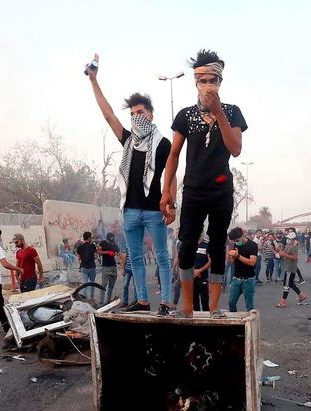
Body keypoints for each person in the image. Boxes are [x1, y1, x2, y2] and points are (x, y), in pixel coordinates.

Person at [160, 49, 247, 318]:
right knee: (186, 244)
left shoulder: (232, 112)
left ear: (220, 83)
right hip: (194, 189)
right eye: (204, 80)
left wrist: (219, 112)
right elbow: (173, 155)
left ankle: (214, 308)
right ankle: (186, 307)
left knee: (218, 244)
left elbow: (235, 149)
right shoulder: (185, 116)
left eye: (214, 80)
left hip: (221, 189)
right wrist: (167, 192)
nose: (209, 85)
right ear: (196, 83)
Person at [86, 54, 173, 315]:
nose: (137, 117)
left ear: (151, 114)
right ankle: (143, 301)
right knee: (135, 259)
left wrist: (171, 202)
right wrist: (94, 80)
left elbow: (172, 174)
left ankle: (166, 303)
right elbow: (108, 113)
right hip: (130, 211)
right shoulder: (127, 141)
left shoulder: (163, 143)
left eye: (141, 112)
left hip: (154, 210)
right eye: (133, 113)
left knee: (162, 257)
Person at [227, 227, 258, 312]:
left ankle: (250, 324)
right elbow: (233, 262)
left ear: (243, 235)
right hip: (236, 278)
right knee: (231, 303)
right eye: (234, 241)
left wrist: (238, 256)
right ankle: (234, 323)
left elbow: (252, 262)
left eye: (237, 240)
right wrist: (231, 256)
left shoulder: (252, 245)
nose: (236, 242)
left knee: (249, 306)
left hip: (248, 280)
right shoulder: (235, 245)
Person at [276, 231, 307, 307]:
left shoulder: (294, 247)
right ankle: (301, 295)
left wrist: (284, 254)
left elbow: (295, 257)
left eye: (289, 238)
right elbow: (283, 254)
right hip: (287, 267)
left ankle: (283, 301)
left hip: (291, 267)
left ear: (293, 239)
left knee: (287, 284)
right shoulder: (287, 246)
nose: (288, 239)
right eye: (288, 238)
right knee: (289, 283)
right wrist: (279, 251)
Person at [96, 232, 121, 305]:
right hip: (105, 267)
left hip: (113, 266)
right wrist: (107, 252)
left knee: (111, 285)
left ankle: (108, 300)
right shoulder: (103, 243)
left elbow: (119, 254)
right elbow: (98, 251)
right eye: (110, 240)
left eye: (112, 240)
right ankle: (101, 301)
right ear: (107, 239)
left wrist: (124, 263)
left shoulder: (114, 244)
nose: (111, 242)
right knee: (103, 285)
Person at [76, 231, 98, 299]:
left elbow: (79, 258)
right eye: (91, 237)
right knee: (92, 283)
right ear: (89, 238)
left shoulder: (79, 247)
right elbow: (96, 254)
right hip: (92, 267)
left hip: (83, 267)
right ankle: (92, 298)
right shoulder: (92, 245)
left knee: (84, 284)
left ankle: (84, 298)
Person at [193, 236, 211, 311]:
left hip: (203, 277)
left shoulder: (207, 245)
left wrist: (199, 271)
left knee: (205, 301)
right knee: (194, 302)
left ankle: (206, 320)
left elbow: (210, 262)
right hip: (192, 277)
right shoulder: (190, 244)